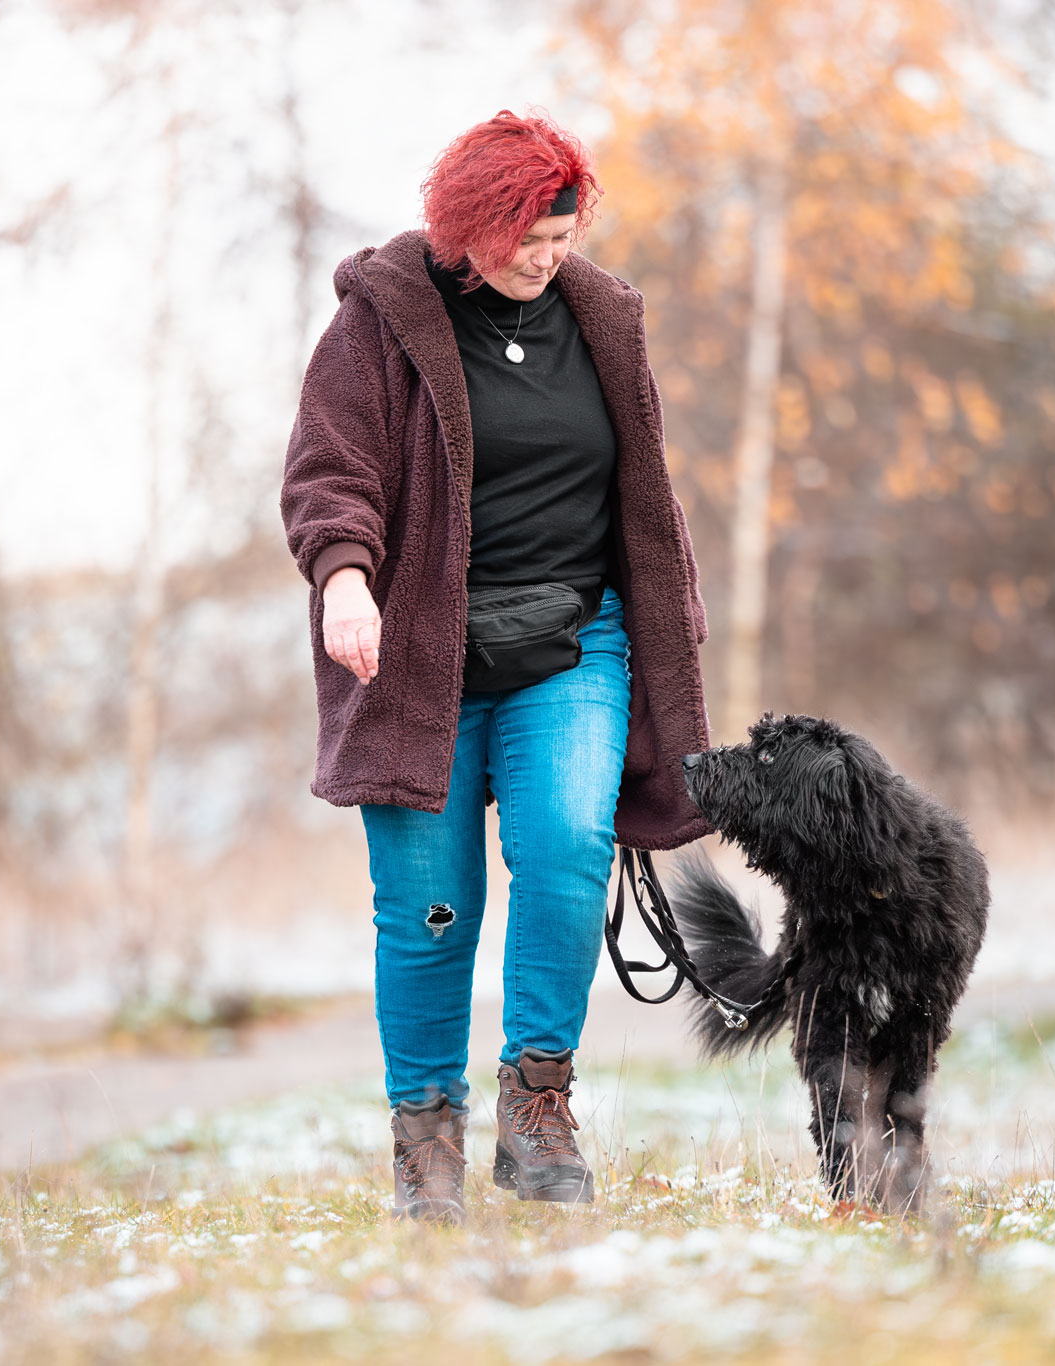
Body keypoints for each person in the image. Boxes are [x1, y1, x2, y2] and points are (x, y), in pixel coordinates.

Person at [280, 110, 712, 1218]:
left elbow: (644, 492)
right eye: (528, 238)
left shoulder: (604, 320)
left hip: (574, 642)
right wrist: (341, 578)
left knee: (566, 845)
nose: (546, 258)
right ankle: (425, 1140)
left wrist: (675, 609)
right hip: (419, 655)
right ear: (470, 224)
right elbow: (329, 472)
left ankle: (538, 1105)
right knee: (428, 907)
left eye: (561, 239)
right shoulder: (379, 323)